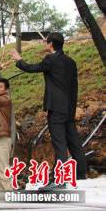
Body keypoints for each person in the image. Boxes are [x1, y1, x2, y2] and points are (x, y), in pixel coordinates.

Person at [9, 32, 87, 183]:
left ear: (51, 44)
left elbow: (32, 68)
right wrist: (72, 107)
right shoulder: (71, 62)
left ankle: (60, 178)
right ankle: (81, 173)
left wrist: (19, 60)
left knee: (59, 142)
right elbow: (74, 87)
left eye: (46, 42)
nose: (45, 44)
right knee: (73, 140)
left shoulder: (50, 59)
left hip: (56, 108)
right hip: (69, 107)